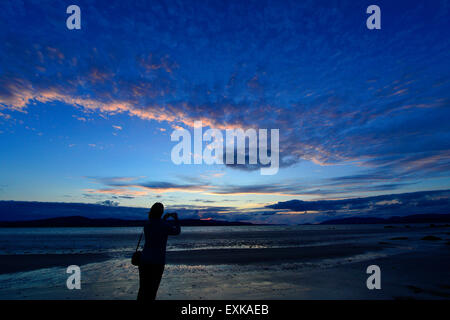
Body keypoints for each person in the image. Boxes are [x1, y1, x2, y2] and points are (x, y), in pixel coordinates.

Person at [137, 202, 181, 301]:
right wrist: (176, 219)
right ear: (161, 212)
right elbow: (177, 231)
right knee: (153, 290)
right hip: (157, 261)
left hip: (144, 259)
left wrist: (164, 219)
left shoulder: (147, 224)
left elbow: (156, 228)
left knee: (143, 289)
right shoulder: (163, 225)